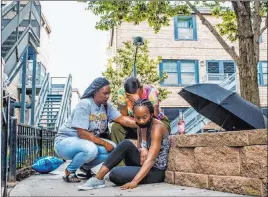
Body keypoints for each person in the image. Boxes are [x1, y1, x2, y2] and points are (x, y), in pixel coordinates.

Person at [54, 77, 137, 183]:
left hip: (84, 143)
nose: (107, 96)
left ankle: (85, 168)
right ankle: (69, 171)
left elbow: (122, 119)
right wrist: (105, 144)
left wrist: (141, 122)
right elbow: (82, 133)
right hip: (65, 143)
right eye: (104, 93)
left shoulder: (106, 106)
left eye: (108, 94)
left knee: (114, 149)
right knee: (91, 149)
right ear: (95, 92)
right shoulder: (85, 104)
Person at [78, 99, 170, 191]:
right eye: (138, 118)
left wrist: (134, 182)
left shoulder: (157, 128)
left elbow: (151, 160)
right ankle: (97, 179)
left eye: (144, 117)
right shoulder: (140, 125)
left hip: (155, 170)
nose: (141, 121)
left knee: (115, 174)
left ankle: (103, 177)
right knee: (125, 143)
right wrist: (143, 148)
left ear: (151, 114)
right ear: (134, 115)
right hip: (144, 164)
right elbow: (139, 145)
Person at [111, 77, 170, 145]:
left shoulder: (151, 92)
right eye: (128, 95)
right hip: (135, 123)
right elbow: (124, 116)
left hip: (156, 122)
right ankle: (120, 153)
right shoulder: (122, 92)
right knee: (116, 127)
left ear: (140, 89)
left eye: (133, 95)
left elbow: (153, 117)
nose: (130, 97)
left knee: (155, 128)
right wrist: (125, 102)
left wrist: (138, 101)